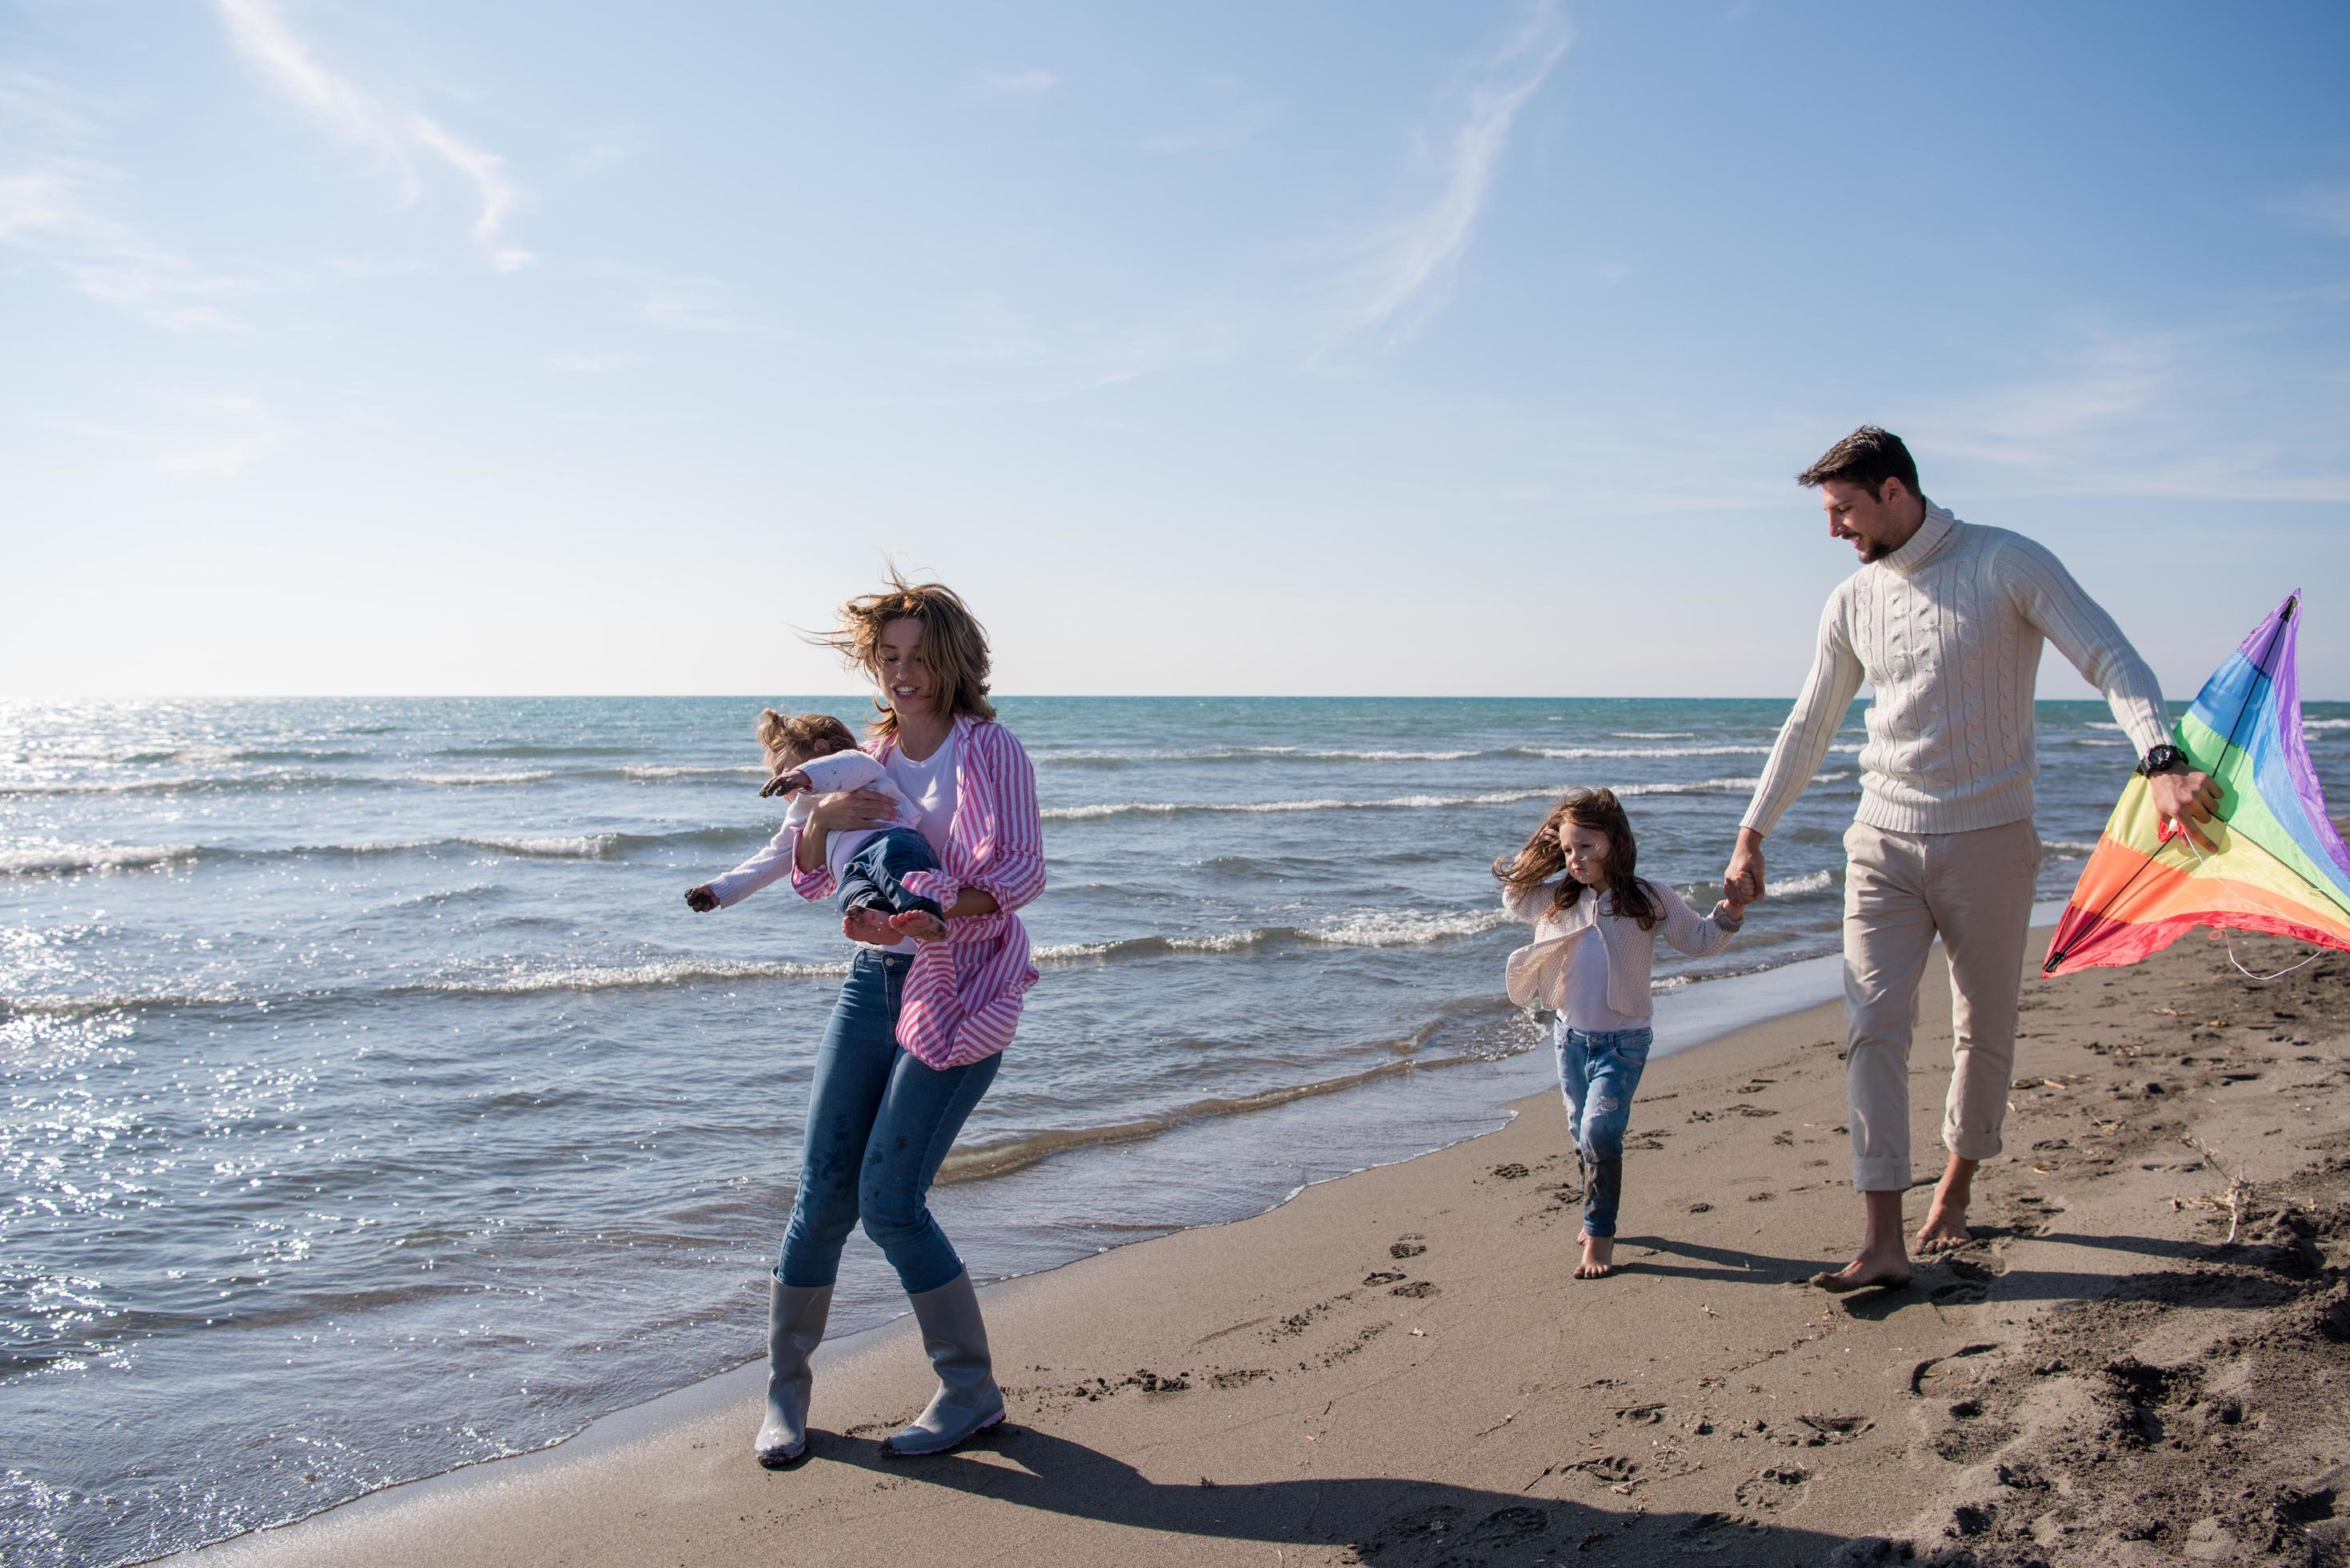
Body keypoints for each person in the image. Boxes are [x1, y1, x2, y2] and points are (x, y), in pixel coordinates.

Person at [1721, 427, 2220, 1294]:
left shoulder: (2005, 563)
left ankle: (1957, 1183)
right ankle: (1881, 1237)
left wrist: (2161, 757)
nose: (1833, 530)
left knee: (1980, 1028)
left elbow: (2109, 654)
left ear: (1892, 491)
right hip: (1881, 839)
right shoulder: (1849, 601)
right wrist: (1752, 831)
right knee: (1872, 1025)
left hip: (1990, 840)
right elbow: (1811, 722)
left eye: (1842, 510)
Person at [723, 574, 1045, 1467]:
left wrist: (942, 903)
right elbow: (819, 883)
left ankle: (970, 1389)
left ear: (953, 662)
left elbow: (1020, 874)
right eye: (889, 659)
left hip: (961, 979)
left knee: (890, 1200)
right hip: (873, 983)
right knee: (823, 1190)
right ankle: (785, 1399)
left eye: (920, 660)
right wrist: (820, 819)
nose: (904, 677)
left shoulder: (991, 750)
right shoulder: (867, 757)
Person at [1499, 787, 1748, 1279]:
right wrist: (1543, 842)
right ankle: (1595, 1206)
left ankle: (1600, 1233)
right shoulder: (1558, 899)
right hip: (1569, 1039)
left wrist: (1733, 910)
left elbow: (1700, 940)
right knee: (1580, 1132)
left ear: (1614, 842)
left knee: (1599, 1131)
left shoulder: (1647, 898)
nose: (1576, 859)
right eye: (1568, 850)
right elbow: (1514, 897)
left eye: (1586, 846)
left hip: (1624, 1042)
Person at [683, 710, 947, 943]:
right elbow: (772, 859)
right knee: (851, 896)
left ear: (820, 748)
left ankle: (926, 914)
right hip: (856, 868)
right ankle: (880, 923)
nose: (778, 779)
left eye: (781, 768)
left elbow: (844, 766)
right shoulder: (801, 815)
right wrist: (720, 890)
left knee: (897, 871)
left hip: (893, 843)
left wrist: (803, 776)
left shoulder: (861, 768)